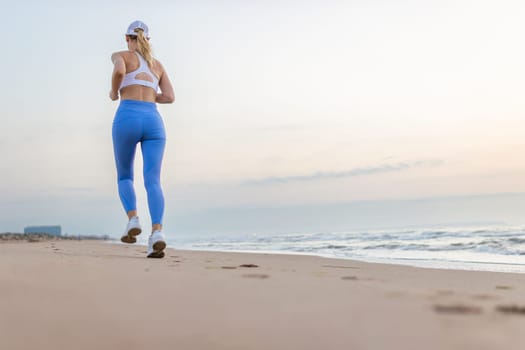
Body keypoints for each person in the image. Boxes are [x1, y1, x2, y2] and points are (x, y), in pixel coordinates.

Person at [109, 20, 175, 258]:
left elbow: (119, 72)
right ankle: (157, 232)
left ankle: (133, 218)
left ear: (127, 38)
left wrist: (114, 91)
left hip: (127, 116)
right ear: (148, 39)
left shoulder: (121, 55)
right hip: (154, 121)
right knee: (153, 180)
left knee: (125, 175)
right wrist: (148, 96)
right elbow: (169, 97)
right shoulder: (157, 65)